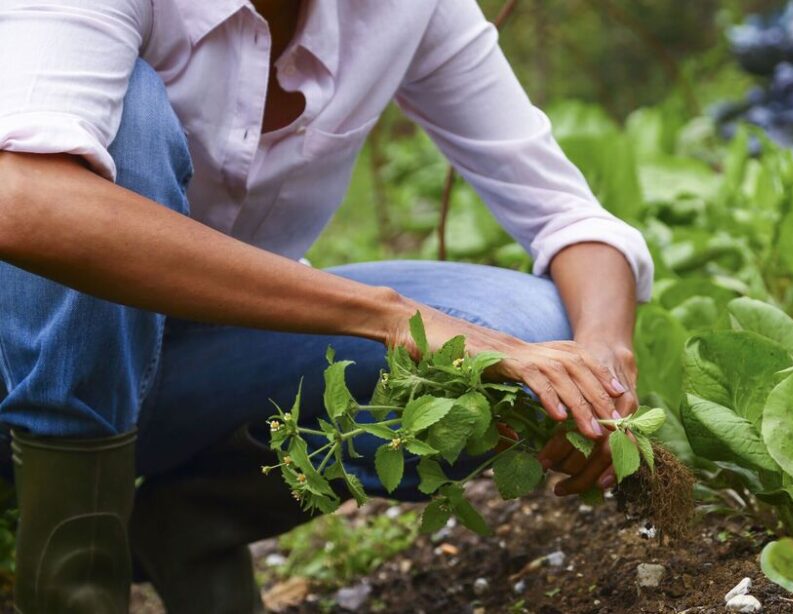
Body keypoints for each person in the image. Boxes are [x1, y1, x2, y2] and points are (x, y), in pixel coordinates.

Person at [0, 0, 653, 611]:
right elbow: (24, 200)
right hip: (24, 376)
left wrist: (602, 359)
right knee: (127, 115)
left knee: (534, 332)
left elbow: (565, 213)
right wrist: (388, 316)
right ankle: (75, 582)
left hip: (190, 370)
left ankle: (190, 525)